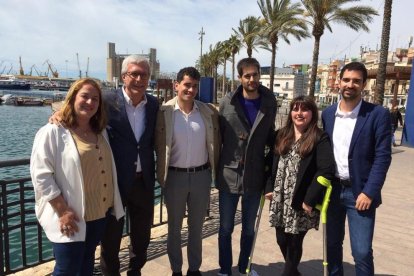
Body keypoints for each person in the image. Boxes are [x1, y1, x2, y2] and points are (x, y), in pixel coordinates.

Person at [30, 78, 124, 275]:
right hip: (71, 216)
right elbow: (41, 176)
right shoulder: (53, 131)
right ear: (72, 98)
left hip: (98, 215)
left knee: (86, 265)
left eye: (95, 99)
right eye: (85, 96)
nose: (90, 102)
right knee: (67, 270)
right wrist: (63, 211)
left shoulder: (101, 131)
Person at [322, 61, 392, 276]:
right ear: (339, 83)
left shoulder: (377, 114)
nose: (350, 85)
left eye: (356, 81)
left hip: (359, 193)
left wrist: (369, 192)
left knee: (361, 252)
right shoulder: (328, 114)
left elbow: (383, 156)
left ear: (364, 85)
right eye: (346, 80)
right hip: (332, 191)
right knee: (332, 246)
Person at [155, 67, 220, 276]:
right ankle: (176, 270)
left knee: (196, 228)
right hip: (174, 177)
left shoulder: (208, 112)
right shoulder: (163, 112)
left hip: (201, 177)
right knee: (174, 229)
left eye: (194, 86)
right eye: (186, 85)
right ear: (177, 85)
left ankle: (194, 269)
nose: (190, 90)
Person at [99, 55, 159, 276]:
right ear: (124, 76)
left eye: (144, 74)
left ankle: (135, 271)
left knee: (142, 236)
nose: (139, 79)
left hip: (143, 182)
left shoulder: (153, 104)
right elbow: (80, 113)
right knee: (111, 238)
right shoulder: (106, 101)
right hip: (115, 183)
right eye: (134, 74)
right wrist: (58, 116)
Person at [217, 57, 277, 276]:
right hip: (228, 176)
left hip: (255, 176)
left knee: (249, 230)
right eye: (247, 75)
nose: (252, 79)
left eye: (255, 74)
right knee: (225, 229)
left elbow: (271, 137)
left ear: (259, 75)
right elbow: (218, 138)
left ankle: (244, 267)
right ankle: (225, 269)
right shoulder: (226, 103)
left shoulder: (269, 102)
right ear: (240, 77)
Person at [264, 96, 335, 276]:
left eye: (304, 110)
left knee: (295, 242)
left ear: (312, 113)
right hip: (280, 199)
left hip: (301, 201)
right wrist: (268, 187)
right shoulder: (281, 134)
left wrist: (310, 199)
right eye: (296, 109)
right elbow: (269, 164)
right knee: (281, 240)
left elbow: (326, 170)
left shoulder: (319, 137)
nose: (299, 113)